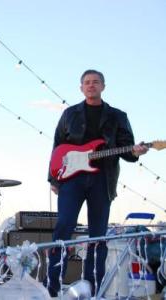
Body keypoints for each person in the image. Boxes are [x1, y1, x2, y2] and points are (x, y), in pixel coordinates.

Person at [46, 69, 148, 296]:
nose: (91, 86)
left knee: (98, 234)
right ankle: (52, 286)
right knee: (64, 225)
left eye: (95, 82)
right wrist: (54, 177)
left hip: (103, 179)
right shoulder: (70, 114)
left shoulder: (118, 116)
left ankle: (93, 287)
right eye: (87, 83)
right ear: (81, 87)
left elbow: (128, 150)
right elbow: (57, 147)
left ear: (103, 86)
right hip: (71, 179)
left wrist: (137, 151)